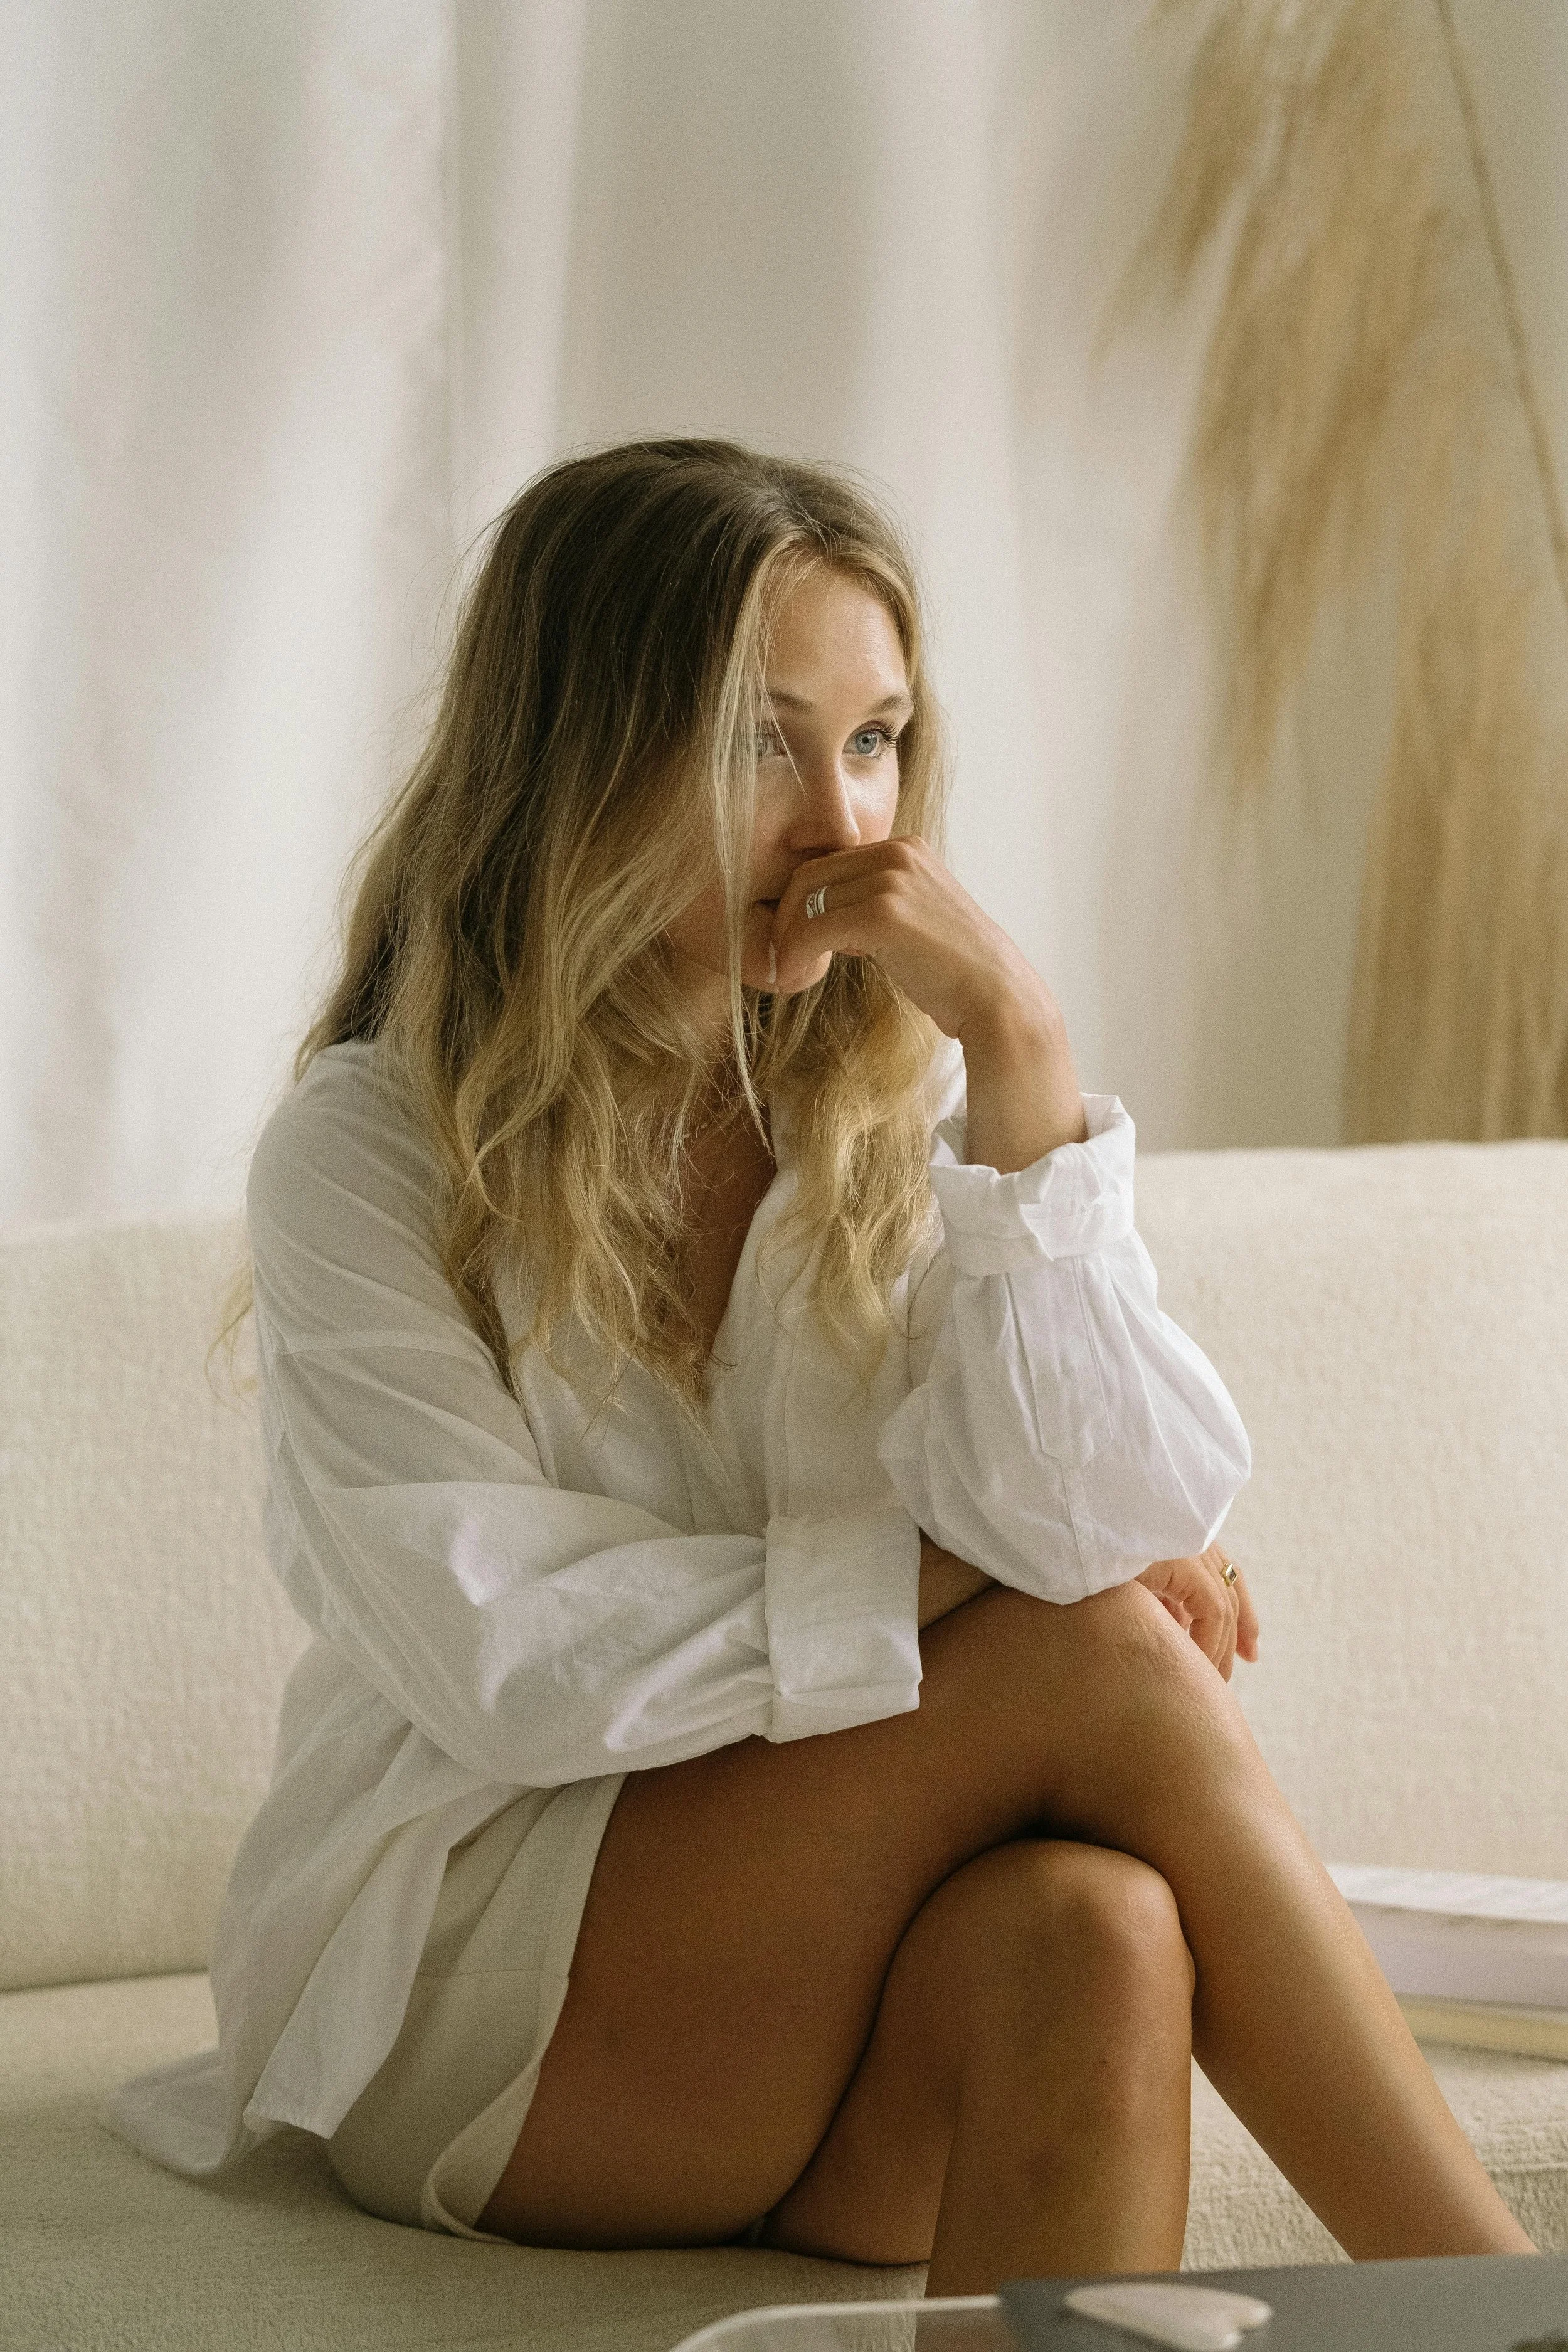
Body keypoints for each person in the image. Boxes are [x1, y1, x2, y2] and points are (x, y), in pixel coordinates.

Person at [108, 437, 1534, 2293]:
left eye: (874, 743)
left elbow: (1109, 1513)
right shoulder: (374, 1147)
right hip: (484, 2016)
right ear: (580, 756)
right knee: (1084, 1647)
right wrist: (966, 1583)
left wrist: (1019, 1059)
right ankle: (1499, 2307)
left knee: (1095, 1928)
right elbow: (504, 1646)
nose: (844, 823)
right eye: (762, 743)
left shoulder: (886, 1106)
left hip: (833, 2019)